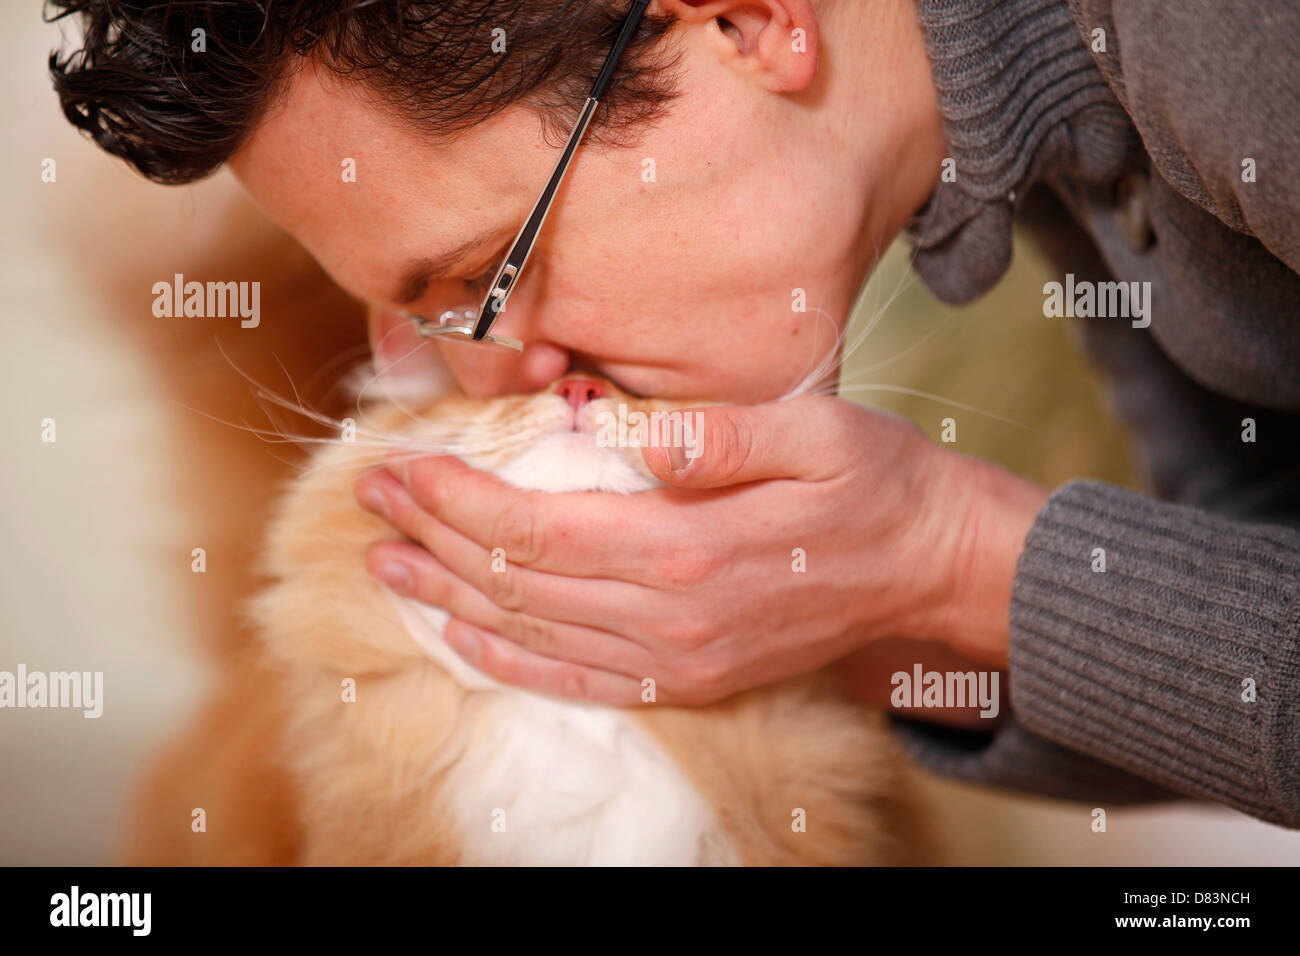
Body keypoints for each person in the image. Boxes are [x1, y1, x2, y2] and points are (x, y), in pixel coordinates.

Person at [50, 0, 1299, 828]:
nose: (503, 374)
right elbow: (1246, 561)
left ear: (748, 22)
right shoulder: (1068, 159)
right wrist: (852, 621)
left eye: (490, 273)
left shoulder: (1225, 42)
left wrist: (951, 555)